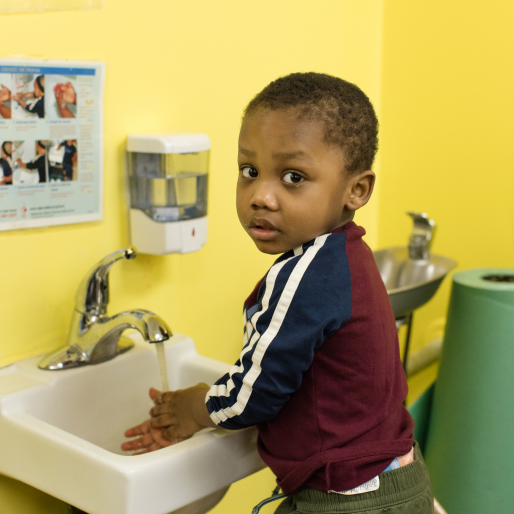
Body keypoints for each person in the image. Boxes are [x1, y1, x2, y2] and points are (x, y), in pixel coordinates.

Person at [121, 72, 436, 514]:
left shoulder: (303, 276)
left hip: (347, 498)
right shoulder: (348, 255)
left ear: (356, 190)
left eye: (292, 176)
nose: (260, 195)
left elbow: (254, 394)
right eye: (249, 171)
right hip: (397, 475)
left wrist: (193, 407)